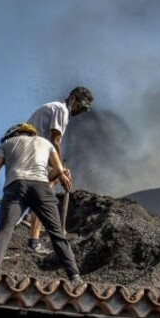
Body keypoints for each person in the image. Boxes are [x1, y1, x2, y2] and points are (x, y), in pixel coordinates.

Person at [0, 123, 82, 282]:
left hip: (15, 187)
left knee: (4, 232)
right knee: (57, 233)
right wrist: (41, 181)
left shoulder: (6, 144)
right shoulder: (45, 143)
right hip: (41, 187)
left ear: (14, 134)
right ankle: (75, 276)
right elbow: (59, 170)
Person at [22, 86, 94, 253]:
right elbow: (54, 141)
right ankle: (33, 242)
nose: (80, 112)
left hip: (29, 151)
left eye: (85, 110)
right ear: (73, 99)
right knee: (46, 191)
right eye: (81, 107)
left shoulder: (54, 108)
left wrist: (59, 171)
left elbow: (48, 145)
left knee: (50, 182)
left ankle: (31, 216)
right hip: (32, 152)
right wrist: (60, 171)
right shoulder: (61, 110)